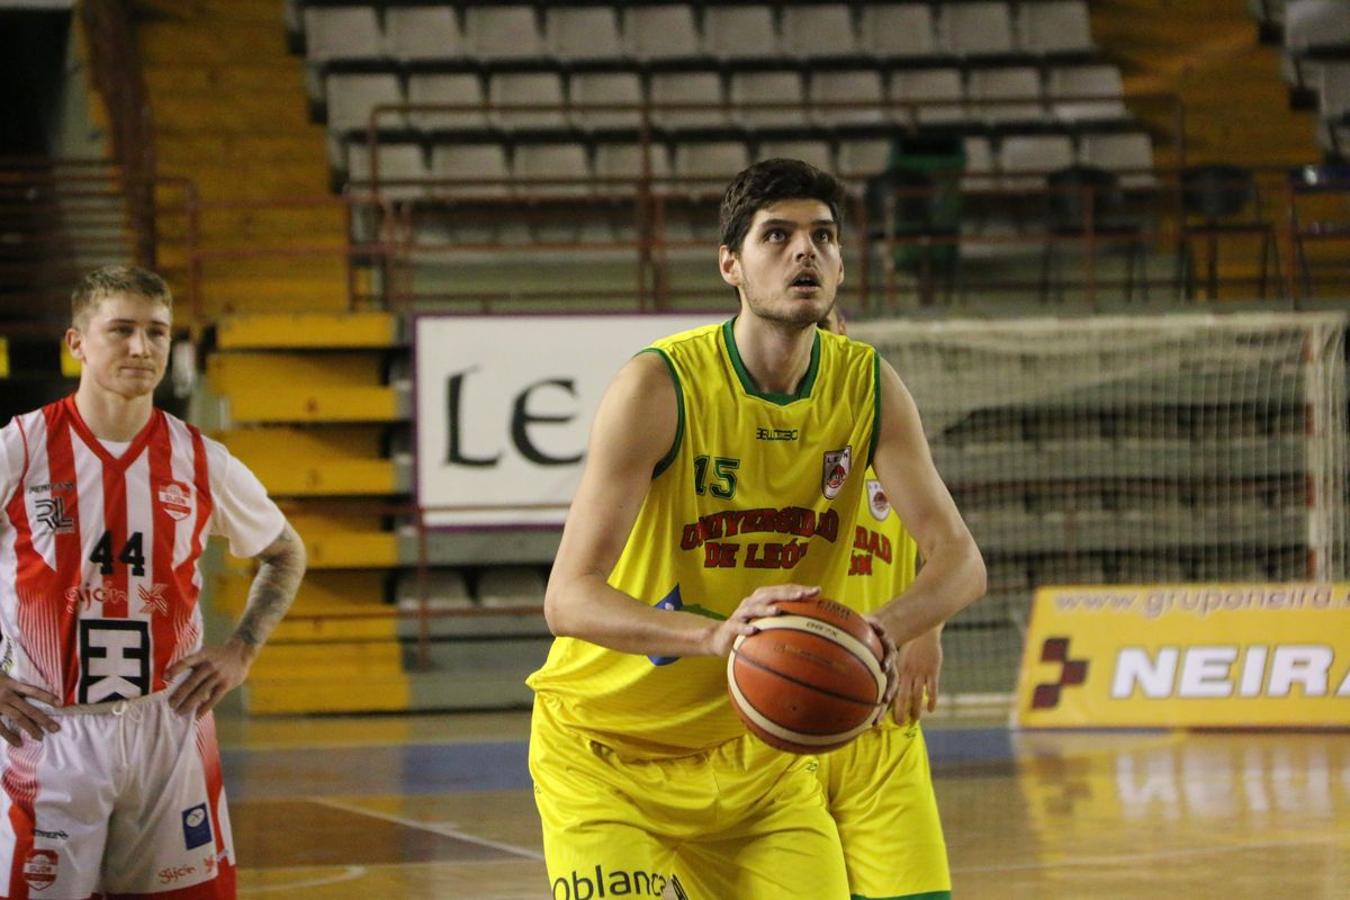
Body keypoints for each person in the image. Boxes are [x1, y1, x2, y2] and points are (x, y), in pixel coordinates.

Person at [527, 158, 984, 899]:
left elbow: (960, 561)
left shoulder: (868, 383)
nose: (806, 252)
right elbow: (568, 601)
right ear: (730, 265)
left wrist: (882, 629)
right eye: (778, 236)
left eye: (824, 236)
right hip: (606, 752)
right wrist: (713, 637)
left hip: (758, 759)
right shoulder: (659, 385)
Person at [0, 266, 306, 898]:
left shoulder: (201, 460)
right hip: (45, 734)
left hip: (169, 728)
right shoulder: (20, 448)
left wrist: (241, 649)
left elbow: (284, 551)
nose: (141, 348)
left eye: (157, 333)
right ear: (77, 342)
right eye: (122, 330)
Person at [819, 306, 952, 900]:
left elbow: (945, 547)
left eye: (828, 331)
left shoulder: (888, 432)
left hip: (878, 713)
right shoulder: (748, 446)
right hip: (783, 713)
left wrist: (927, 629)